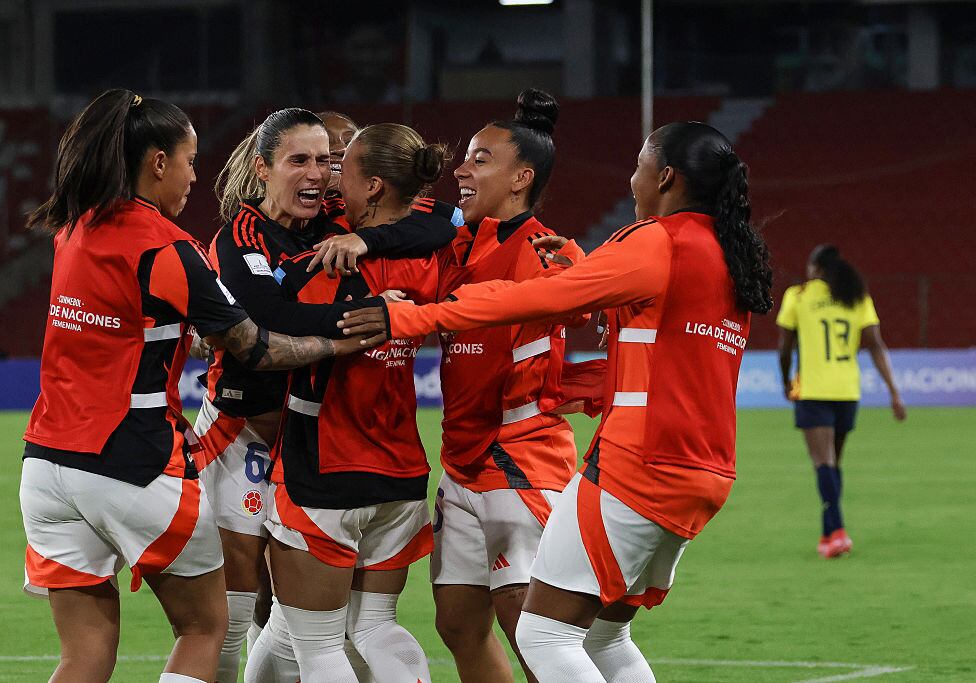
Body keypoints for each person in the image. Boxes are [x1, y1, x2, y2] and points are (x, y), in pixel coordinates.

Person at [340, 121, 774, 682]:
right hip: (701, 469)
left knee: (543, 634)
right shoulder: (722, 251)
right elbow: (665, 350)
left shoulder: (656, 241)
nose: (632, 177)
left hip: (636, 464)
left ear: (665, 177)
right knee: (602, 636)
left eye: (640, 165)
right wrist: (586, 281)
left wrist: (411, 316)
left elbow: (524, 299)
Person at [19, 89, 379, 683]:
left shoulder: (72, 229)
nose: (194, 177)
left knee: (82, 656)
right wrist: (347, 340)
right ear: (158, 162)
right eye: (188, 161)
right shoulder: (167, 247)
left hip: (47, 467)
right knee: (207, 627)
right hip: (130, 458)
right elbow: (258, 348)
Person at [196, 107, 455, 682]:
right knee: (236, 616)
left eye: (329, 161)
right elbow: (265, 319)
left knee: (307, 626)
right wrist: (374, 319)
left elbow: (446, 219)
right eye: (301, 161)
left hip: (318, 443)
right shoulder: (241, 236)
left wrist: (366, 238)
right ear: (263, 169)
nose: (319, 174)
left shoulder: (344, 215)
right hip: (242, 438)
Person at [418, 88, 589, 683]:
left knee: (534, 633)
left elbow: (588, 305)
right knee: (458, 624)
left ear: (521, 178)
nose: (461, 170)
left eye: (480, 160)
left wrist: (578, 280)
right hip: (461, 460)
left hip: (518, 456)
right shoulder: (461, 245)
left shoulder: (547, 251)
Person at [776, 244, 906, 559]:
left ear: (816, 268)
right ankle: (828, 535)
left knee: (824, 463)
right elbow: (875, 345)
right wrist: (893, 391)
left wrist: (786, 382)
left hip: (814, 390)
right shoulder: (856, 296)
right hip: (847, 390)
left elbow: (784, 347)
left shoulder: (798, 295)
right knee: (834, 463)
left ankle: (839, 531)